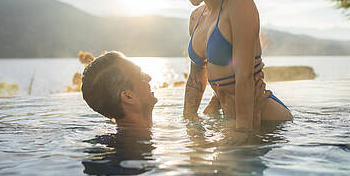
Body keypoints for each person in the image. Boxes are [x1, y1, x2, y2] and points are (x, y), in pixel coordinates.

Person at [166, 0, 293, 137]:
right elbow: (196, 80)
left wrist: (243, 134)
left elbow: (244, 77)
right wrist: (189, 127)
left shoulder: (239, 2)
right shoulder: (196, 18)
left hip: (269, 125)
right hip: (233, 123)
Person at [81, 51, 270, 131]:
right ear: (128, 96)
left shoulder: (141, 135)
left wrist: (216, 104)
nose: (149, 78)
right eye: (140, 75)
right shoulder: (134, 152)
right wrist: (252, 114)